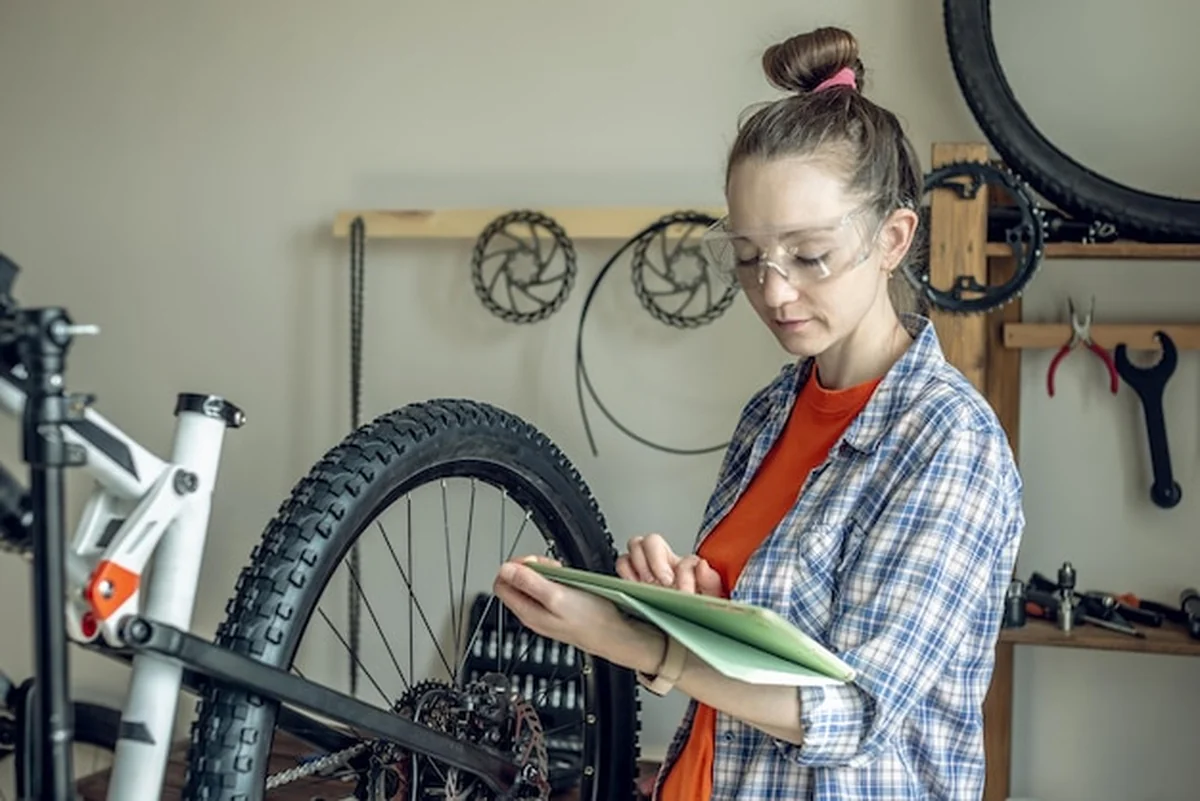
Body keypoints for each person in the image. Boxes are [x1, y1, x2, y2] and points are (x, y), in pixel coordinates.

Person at [492, 24, 1024, 801]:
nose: (773, 291)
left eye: (809, 255)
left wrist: (628, 638)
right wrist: (685, 607)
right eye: (748, 256)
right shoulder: (771, 412)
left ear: (894, 237)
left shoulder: (948, 441)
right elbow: (763, 652)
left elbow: (853, 709)